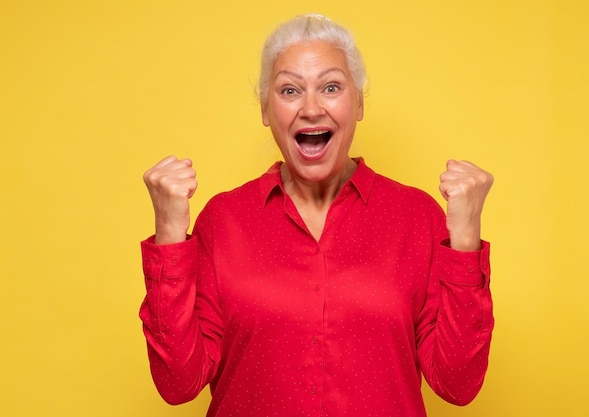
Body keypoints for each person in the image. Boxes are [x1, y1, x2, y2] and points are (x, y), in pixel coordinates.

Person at [139, 13, 494, 417]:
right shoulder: (223, 220)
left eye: (330, 87)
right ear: (266, 110)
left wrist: (465, 239)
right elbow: (177, 384)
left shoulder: (417, 217)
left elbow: (458, 385)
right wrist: (169, 233)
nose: (311, 108)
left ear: (359, 102)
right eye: (290, 89)